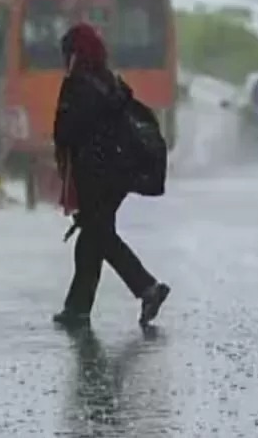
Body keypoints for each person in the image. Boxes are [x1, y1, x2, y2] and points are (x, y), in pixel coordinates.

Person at [51, 22, 170, 328]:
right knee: (92, 238)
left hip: (95, 174)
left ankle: (147, 287)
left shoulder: (78, 84)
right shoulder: (109, 82)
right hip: (118, 174)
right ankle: (77, 308)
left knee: (99, 236)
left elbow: (66, 131)